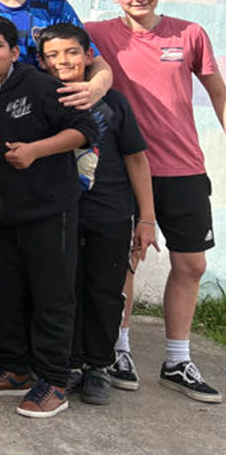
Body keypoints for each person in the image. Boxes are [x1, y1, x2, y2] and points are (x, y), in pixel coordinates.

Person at [87, 0, 225, 401]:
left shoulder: (190, 34)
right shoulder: (97, 35)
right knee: (126, 260)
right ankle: (118, 351)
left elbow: (218, 94)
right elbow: (44, 39)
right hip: (124, 169)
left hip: (184, 168)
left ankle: (177, 361)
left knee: (192, 265)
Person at [0, 15, 97, 418]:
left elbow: (86, 129)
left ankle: (54, 380)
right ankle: (13, 368)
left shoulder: (38, 86)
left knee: (52, 297)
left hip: (48, 211)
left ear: (14, 52)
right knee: (0, 295)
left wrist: (37, 150)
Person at [37, 23, 157, 406]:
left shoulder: (113, 103)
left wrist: (147, 218)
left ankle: (99, 365)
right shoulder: (41, 100)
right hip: (59, 212)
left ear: (89, 56)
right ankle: (69, 362)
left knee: (105, 290)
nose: (63, 61)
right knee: (63, 288)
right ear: (41, 62)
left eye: (72, 52)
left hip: (110, 212)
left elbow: (136, 159)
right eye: (53, 55)